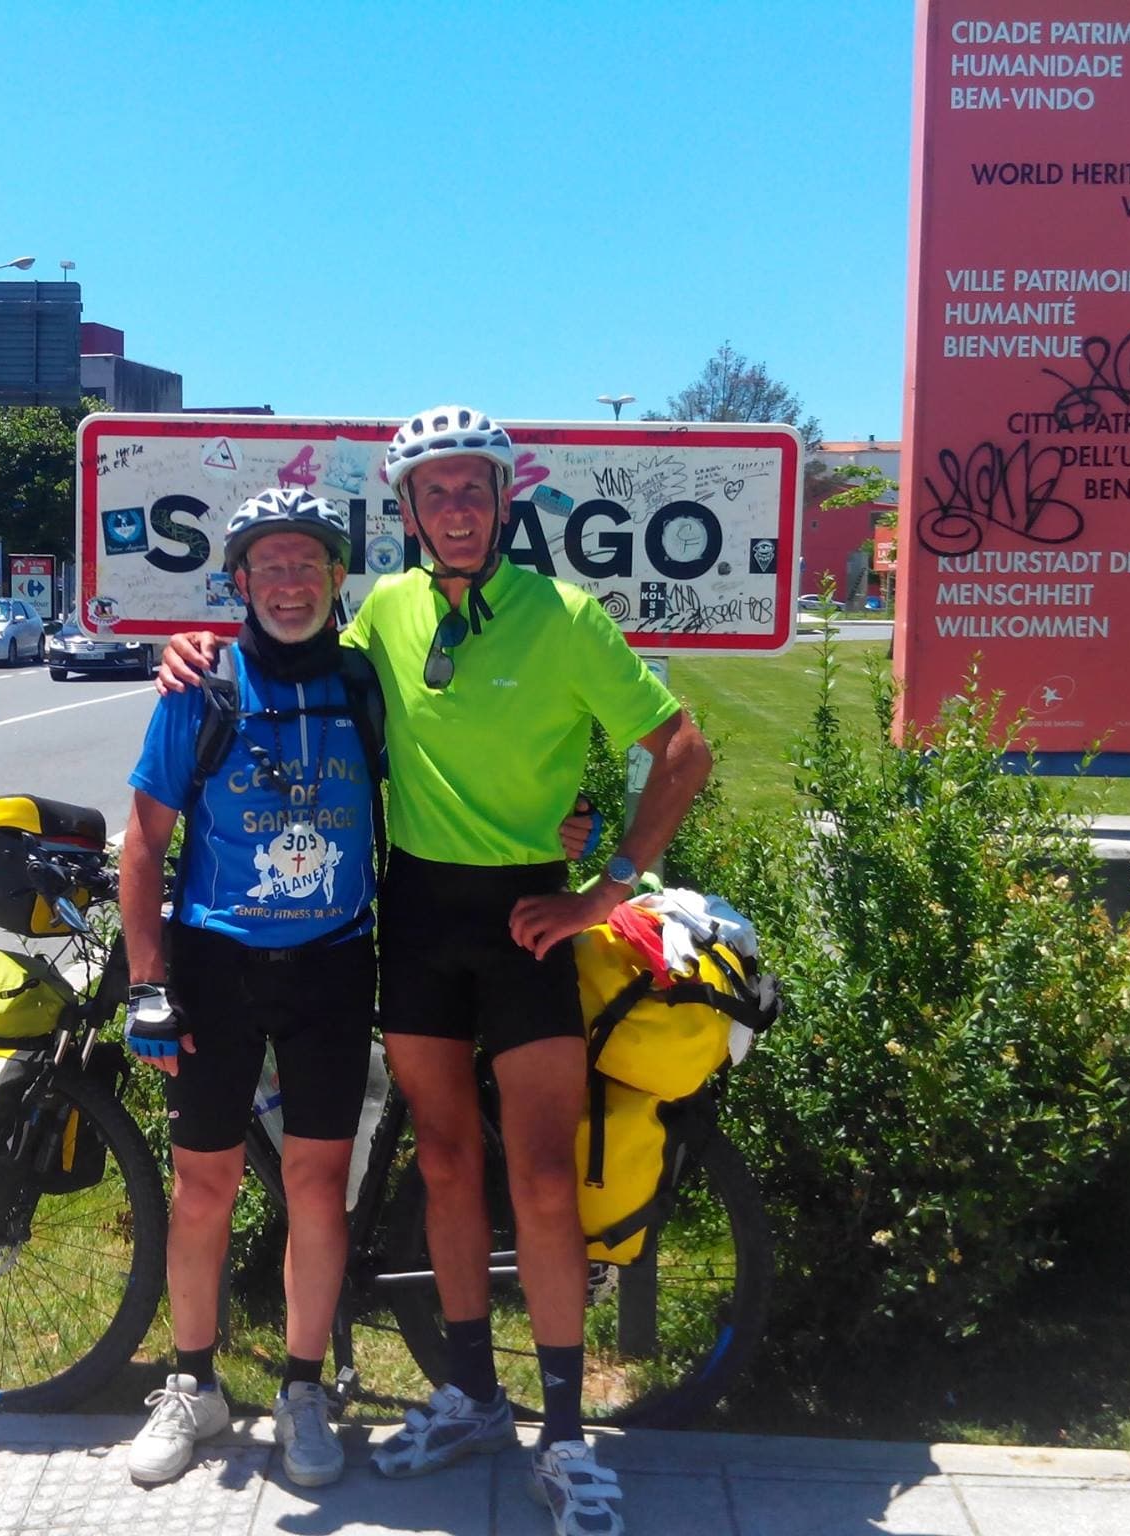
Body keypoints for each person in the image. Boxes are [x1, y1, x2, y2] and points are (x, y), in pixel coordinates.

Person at [161, 405, 713, 1536]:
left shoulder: (564, 619)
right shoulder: (382, 620)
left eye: (473, 491)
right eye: (433, 494)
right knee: (450, 1162)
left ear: (503, 502)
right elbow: (283, 654)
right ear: (404, 512)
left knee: (544, 1179)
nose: (455, 511)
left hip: (526, 923)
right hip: (412, 916)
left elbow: (683, 750)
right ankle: (470, 1393)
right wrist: (184, 648)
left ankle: (562, 1438)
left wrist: (603, 886)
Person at [118, 486, 382, 1490]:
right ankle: (193, 1385)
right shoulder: (199, 687)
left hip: (330, 962)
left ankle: (303, 1389)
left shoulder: (367, 685)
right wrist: (150, 985)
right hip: (216, 966)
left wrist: (573, 824)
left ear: (333, 579)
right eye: (266, 567)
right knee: (203, 1189)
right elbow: (143, 844)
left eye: (304, 566)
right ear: (236, 582)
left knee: (317, 1187)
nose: (286, 583)